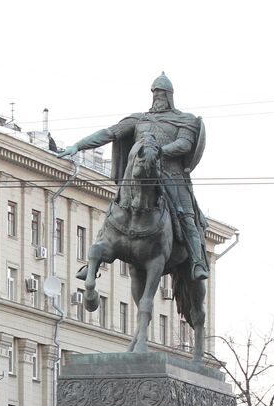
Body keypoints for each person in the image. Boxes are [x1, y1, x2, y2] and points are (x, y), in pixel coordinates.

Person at [57, 73, 210, 281]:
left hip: (172, 176)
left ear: (169, 95)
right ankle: (95, 259)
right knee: (116, 209)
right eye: (154, 93)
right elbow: (109, 133)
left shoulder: (185, 120)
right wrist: (78, 145)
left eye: (161, 93)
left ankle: (197, 262)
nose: (157, 97)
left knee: (187, 217)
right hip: (140, 174)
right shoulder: (140, 119)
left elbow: (185, 144)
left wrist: (158, 151)